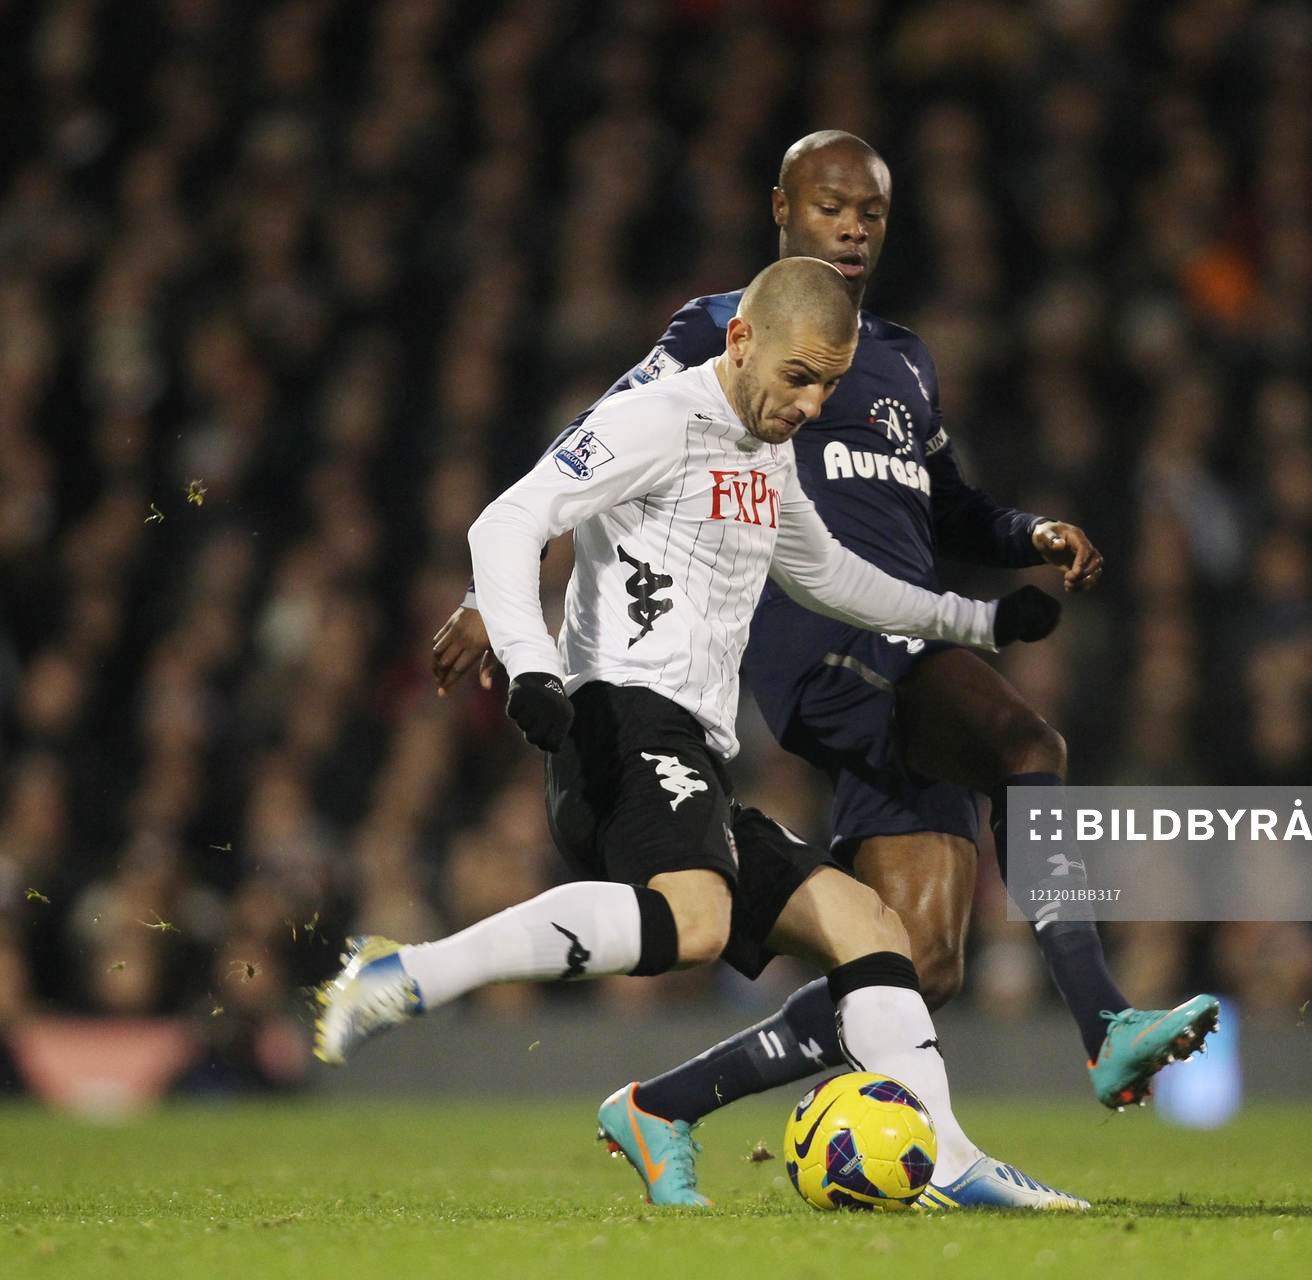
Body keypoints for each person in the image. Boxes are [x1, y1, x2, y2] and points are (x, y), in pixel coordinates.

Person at [432, 131, 1216, 1209]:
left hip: (910, 639)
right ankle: (1103, 1016)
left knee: (910, 959)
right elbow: (591, 443)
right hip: (824, 639)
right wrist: (491, 596)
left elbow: (951, 505)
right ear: (783, 211)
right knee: (1027, 744)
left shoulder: (895, 358)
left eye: (873, 213)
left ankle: (663, 1102)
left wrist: (1029, 531)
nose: (853, 227)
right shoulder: (723, 326)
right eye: (832, 207)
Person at [316, 257, 1083, 1210]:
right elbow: (506, 521)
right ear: (741, 340)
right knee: (697, 920)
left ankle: (947, 1155)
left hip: (691, 751)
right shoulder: (655, 420)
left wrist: (979, 623)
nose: (809, 403)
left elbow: (831, 577)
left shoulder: (764, 450)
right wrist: (530, 664)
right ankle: (410, 975)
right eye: (798, 377)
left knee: (870, 932)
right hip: (618, 717)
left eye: (830, 385)